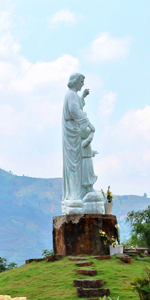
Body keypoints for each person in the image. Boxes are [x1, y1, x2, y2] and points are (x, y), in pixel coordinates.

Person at [62, 72, 98, 214]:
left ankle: (79, 195)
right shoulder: (70, 94)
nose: (83, 83)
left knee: (77, 166)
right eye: (81, 81)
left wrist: (83, 96)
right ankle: (74, 196)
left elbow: (77, 105)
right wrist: (88, 123)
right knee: (74, 165)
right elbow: (75, 110)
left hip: (75, 131)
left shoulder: (73, 95)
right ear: (76, 81)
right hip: (72, 132)